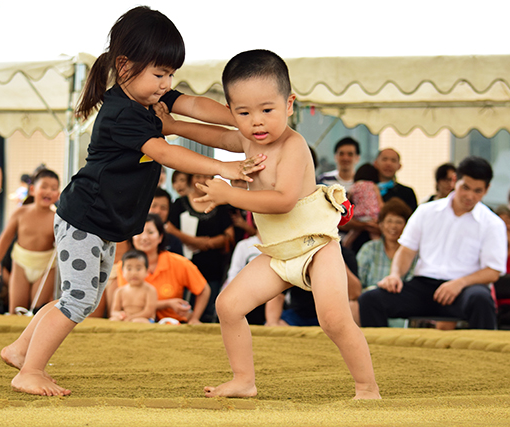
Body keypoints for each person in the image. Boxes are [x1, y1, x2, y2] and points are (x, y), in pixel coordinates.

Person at [0, 6, 261, 397]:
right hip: (84, 217)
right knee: (77, 299)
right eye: (160, 74)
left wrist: (240, 116)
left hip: (100, 221)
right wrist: (228, 167)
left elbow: (192, 105)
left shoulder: (147, 96)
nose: (166, 83)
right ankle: (31, 370)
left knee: (81, 300)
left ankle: (21, 350)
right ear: (124, 66)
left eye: (171, 74)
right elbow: (168, 154)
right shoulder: (123, 113)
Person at [158, 49, 380, 399]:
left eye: (267, 110)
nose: (256, 122)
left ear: (289, 104)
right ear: (231, 112)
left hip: (316, 247)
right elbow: (214, 137)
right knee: (228, 306)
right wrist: (170, 126)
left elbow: (283, 200)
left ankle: (367, 388)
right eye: (244, 113)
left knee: (334, 320)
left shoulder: (294, 146)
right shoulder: (247, 141)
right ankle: (244, 380)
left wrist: (228, 195)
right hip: (279, 253)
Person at [358, 156, 507, 330]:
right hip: (423, 287)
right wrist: (395, 275)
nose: (470, 196)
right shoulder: (426, 211)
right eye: (465, 187)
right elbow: (406, 250)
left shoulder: (493, 223)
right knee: (370, 299)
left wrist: (459, 283)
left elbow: (493, 271)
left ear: (487, 189)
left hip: (465, 289)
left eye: (477, 191)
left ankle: (483, 355)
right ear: (454, 181)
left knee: (482, 299)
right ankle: (377, 354)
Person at [0, 169, 60, 315]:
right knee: (17, 309)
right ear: (33, 189)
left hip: (46, 266)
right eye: (44, 187)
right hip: (21, 264)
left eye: (54, 189)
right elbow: (5, 237)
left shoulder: (57, 219)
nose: (49, 191)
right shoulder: (20, 213)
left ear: (58, 194)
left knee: (38, 310)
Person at [168, 173, 235, 322]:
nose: (201, 180)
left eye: (206, 176)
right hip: (184, 264)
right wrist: (193, 241)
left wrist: (209, 243)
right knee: (181, 309)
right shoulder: (180, 203)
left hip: (213, 265)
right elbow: (170, 229)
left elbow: (229, 235)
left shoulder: (220, 204)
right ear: (191, 179)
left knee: (208, 309)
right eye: (197, 176)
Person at [352, 198, 416, 325]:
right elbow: (358, 283)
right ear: (380, 224)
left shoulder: (412, 253)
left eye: (399, 222)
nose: (393, 226)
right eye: (389, 221)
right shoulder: (369, 249)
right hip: (369, 302)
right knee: (352, 306)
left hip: (402, 304)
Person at [109, 249, 158, 323]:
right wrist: (120, 315)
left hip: (144, 318)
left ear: (147, 271)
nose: (134, 273)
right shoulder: (120, 291)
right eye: (129, 269)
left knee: (138, 321)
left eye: (138, 269)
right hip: (126, 318)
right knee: (113, 320)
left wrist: (132, 317)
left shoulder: (150, 290)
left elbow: (149, 312)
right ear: (122, 272)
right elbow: (114, 311)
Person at [342, 163, 383, 248]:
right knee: (375, 236)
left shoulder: (354, 186)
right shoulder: (373, 185)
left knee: (352, 234)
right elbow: (380, 202)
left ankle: (344, 247)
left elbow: (348, 198)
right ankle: (378, 251)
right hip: (372, 215)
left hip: (359, 215)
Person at [149, 187, 183, 255]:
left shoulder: (174, 242)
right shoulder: (135, 237)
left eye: (163, 208)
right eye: (153, 206)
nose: (158, 211)